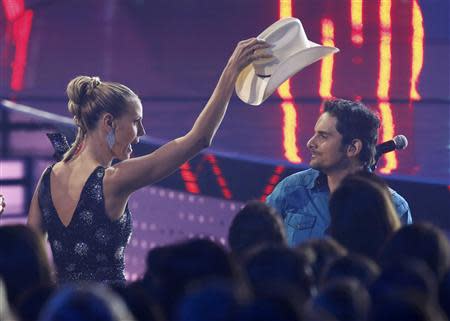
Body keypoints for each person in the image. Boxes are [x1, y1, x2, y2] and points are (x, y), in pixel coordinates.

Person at [27, 38, 272, 284]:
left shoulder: (48, 178)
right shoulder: (113, 180)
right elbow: (198, 139)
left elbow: (28, 255)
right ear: (109, 122)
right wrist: (230, 72)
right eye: (135, 121)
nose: (142, 131)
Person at [266, 99, 411, 247]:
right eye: (315, 133)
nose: (310, 143)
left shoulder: (394, 208)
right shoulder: (291, 189)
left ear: (353, 148)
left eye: (323, 136)